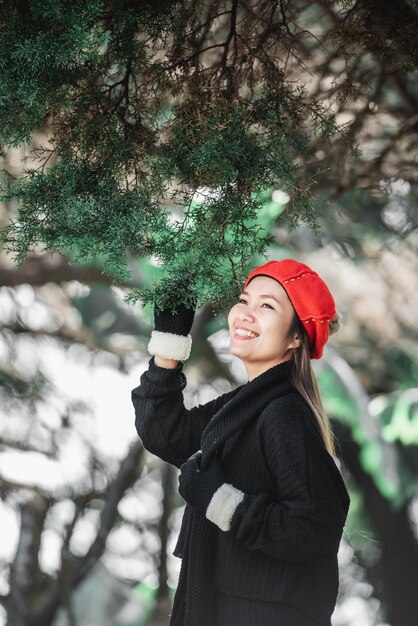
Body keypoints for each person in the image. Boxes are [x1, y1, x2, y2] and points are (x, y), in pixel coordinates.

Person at [131, 259, 350, 626]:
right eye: (244, 300)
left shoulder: (284, 414)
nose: (245, 314)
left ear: (297, 336)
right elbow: (166, 433)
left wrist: (219, 500)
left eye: (266, 306)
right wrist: (169, 345)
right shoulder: (244, 407)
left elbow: (313, 526)